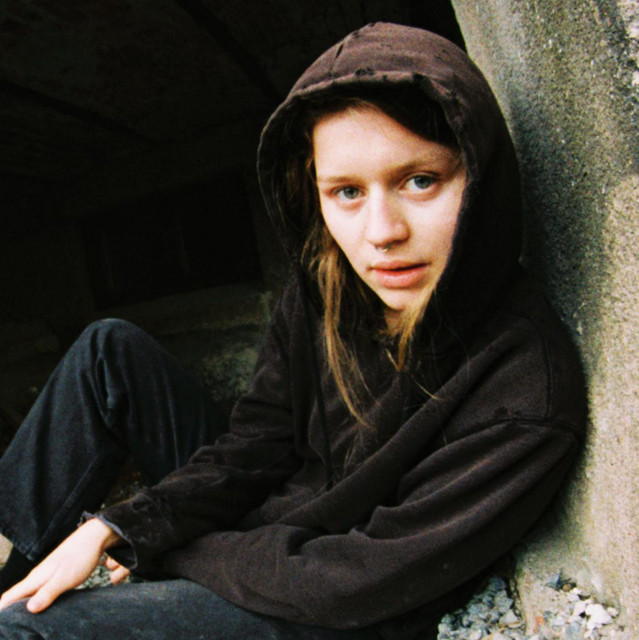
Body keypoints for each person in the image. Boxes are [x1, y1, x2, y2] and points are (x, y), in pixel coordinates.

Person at [0, 22, 586, 640]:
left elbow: (358, 582)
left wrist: (164, 542)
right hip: (272, 517)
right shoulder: (326, 288)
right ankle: (9, 562)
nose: (382, 231)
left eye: (421, 181)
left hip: (322, 608)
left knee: (26, 633)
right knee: (108, 350)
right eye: (348, 192)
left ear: (480, 176)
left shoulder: (526, 393)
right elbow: (258, 441)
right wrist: (119, 527)